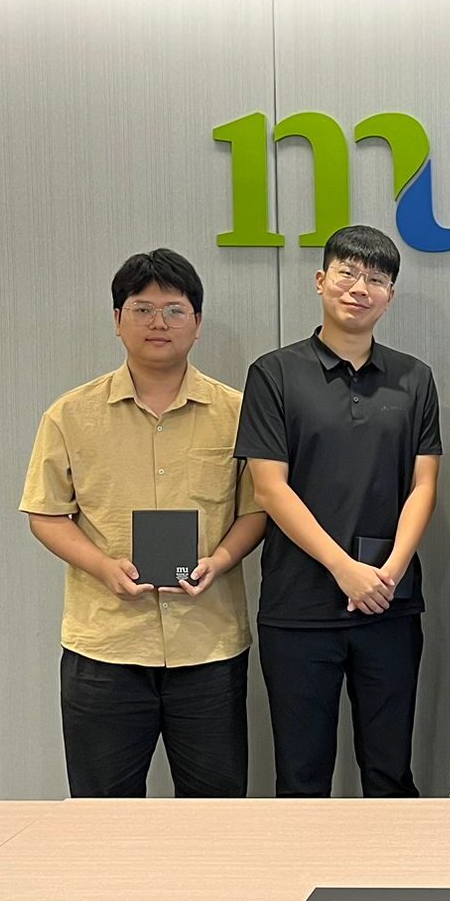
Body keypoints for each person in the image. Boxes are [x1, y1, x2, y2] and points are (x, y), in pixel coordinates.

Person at [20, 247, 266, 797]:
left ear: (197, 323)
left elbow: (256, 510)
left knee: (216, 812)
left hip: (208, 645)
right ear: (117, 319)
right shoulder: (70, 414)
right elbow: (46, 513)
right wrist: (103, 567)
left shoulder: (238, 413)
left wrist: (221, 560)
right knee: (103, 814)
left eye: (175, 310)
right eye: (143, 309)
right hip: (105, 647)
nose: (159, 323)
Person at [234, 225, 440, 797]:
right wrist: (344, 569)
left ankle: (393, 861)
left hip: (389, 604)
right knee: (301, 777)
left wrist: (389, 572)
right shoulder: (273, 373)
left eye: (375, 279)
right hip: (298, 606)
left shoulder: (414, 378)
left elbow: (424, 484)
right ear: (321, 280)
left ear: (390, 296)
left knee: (390, 772)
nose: (359, 288)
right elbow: (270, 489)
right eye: (347, 273)